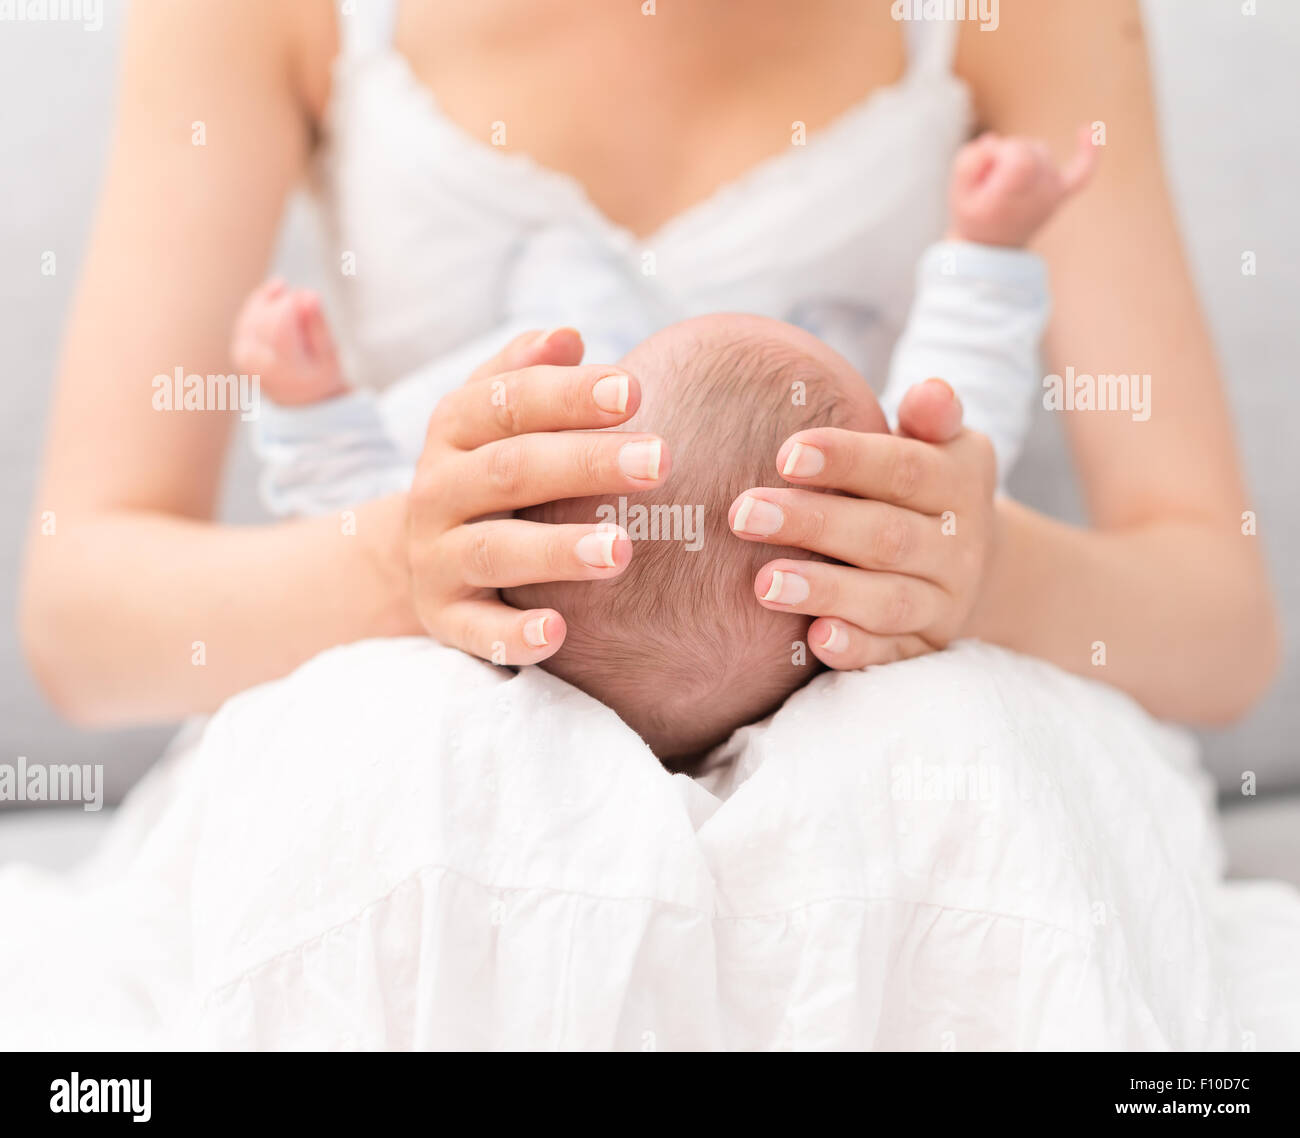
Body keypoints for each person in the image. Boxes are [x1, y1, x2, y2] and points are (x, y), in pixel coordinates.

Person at [21, 1, 1277, 731]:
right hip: (446, 737)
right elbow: (82, 632)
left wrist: (972, 565)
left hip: (872, 732)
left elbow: (1221, 637)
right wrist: (407, 557)